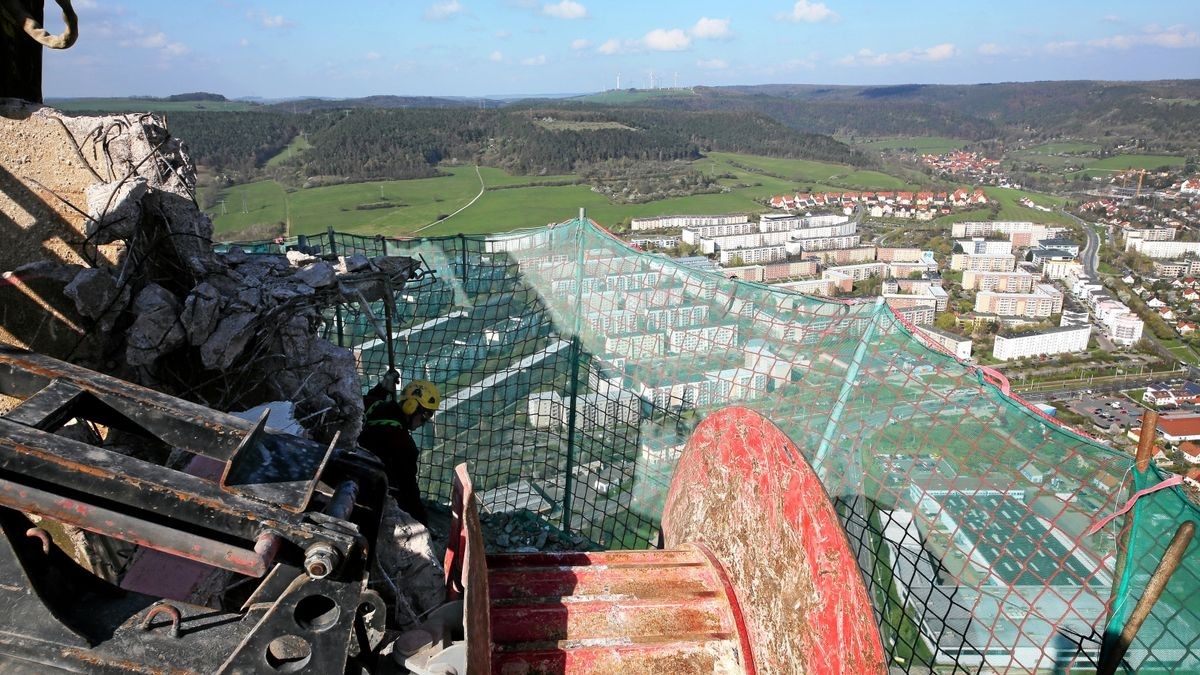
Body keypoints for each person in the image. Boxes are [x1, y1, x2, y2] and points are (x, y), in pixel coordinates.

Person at [359, 372, 439, 525]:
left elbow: (371, 401)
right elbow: (410, 491)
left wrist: (383, 388)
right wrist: (422, 523)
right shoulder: (403, 444)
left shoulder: (372, 405)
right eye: (425, 416)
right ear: (412, 408)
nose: (423, 423)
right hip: (370, 494)